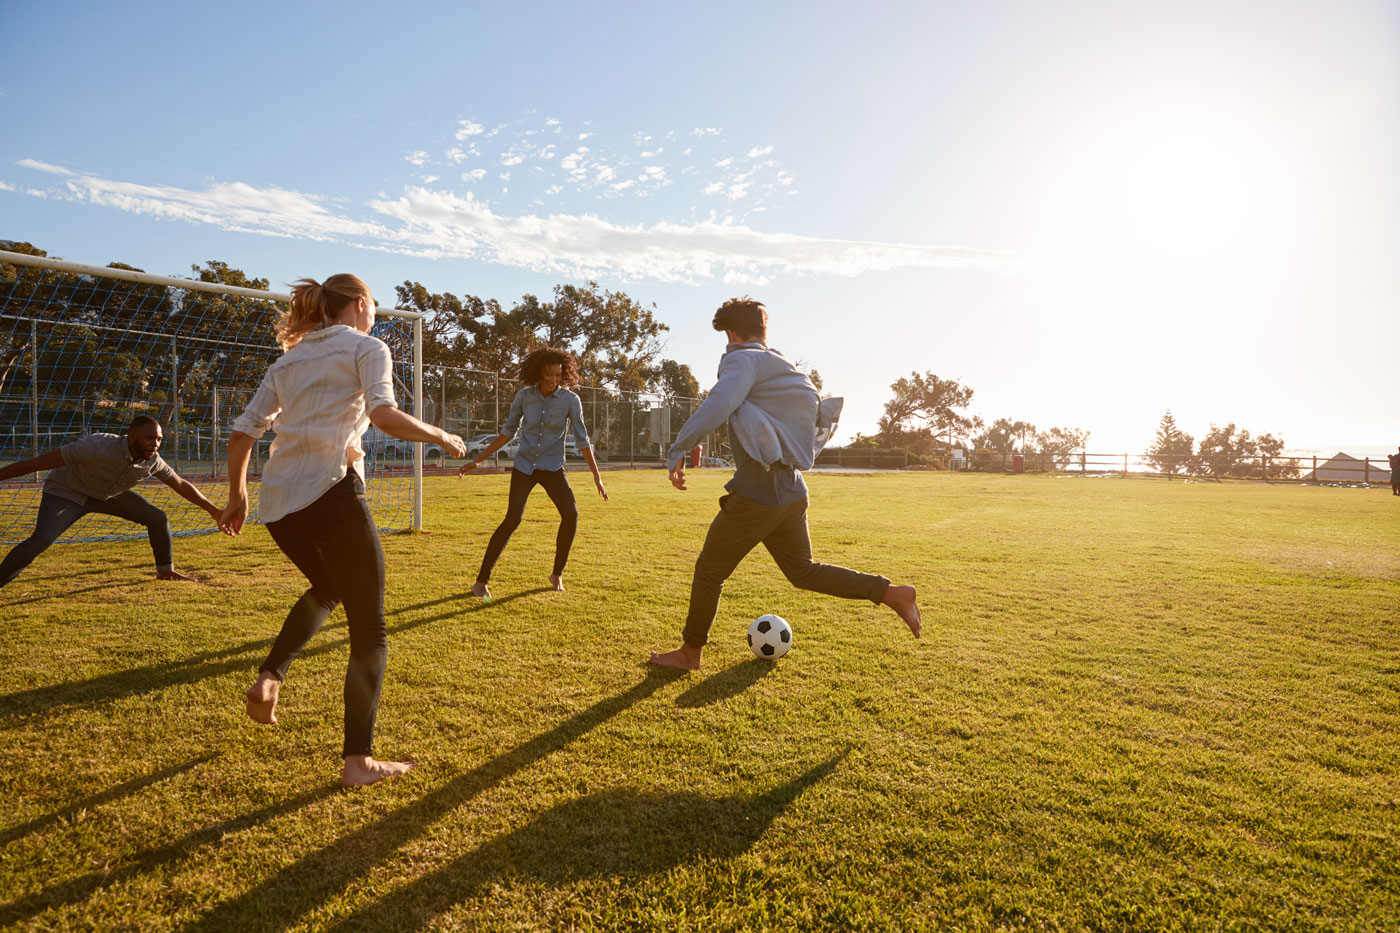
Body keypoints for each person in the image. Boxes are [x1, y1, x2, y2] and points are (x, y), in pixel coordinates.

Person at [219, 274, 466, 788]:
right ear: (359, 304)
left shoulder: (287, 362)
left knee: (329, 588)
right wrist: (441, 435)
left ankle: (269, 678)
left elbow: (243, 432)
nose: (374, 313)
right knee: (370, 628)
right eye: (372, 305)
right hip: (332, 494)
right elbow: (384, 415)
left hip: (279, 505)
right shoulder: (368, 347)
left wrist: (238, 495)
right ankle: (359, 761)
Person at [649, 298, 921, 671]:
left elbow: (719, 402)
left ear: (730, 334)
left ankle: (690, 653)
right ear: (763, 330)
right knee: (803, 571)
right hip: (792, 490)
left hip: (758, 492)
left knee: (710, 571)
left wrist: (679, 448)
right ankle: (891, 593)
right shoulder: (785, 367)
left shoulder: (742, 360)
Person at [0, 416, 223, 588]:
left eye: (159, 439)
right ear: (131, 436)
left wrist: (214, 510)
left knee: (157, 517)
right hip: (68, 492)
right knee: (42, 539)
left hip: (108, 496)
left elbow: (180, 484)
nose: (155, 444)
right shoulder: (96, 446)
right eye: (149, 438)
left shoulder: (153, 461)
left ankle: (165, 571)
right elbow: (39, 463)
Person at [459, 346, 608, 597]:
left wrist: (597, 477)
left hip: (552, 467)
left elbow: (583, 440)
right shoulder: (524, 397)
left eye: (558, 375)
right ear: (538, 373)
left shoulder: (571, 400)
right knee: (512, 519)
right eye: (548, 374)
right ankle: (481, 582)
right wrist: (478, 460)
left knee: (571, 515)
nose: (553, 380)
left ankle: (557, 573)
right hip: (525, 467)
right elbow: (507, 432)